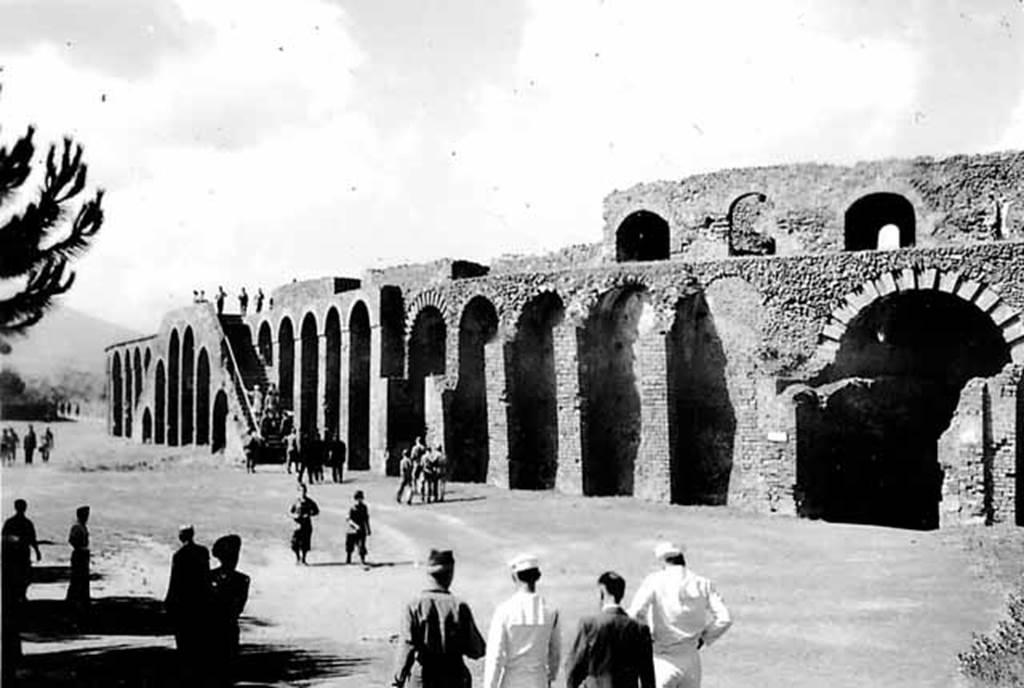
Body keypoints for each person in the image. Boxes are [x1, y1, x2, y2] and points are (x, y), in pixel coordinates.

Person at [627, 543, 731, 688]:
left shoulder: (654, 580)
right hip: (691, 660)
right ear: (683, 559)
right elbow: (725, 619)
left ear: (663, 562)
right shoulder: (703, 583)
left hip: (662, 659)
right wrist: (704, 638)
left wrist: (644, 638)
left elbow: (634, 613)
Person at [392, 549, 486, 687]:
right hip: (454, 678)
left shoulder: (414, 606)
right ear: (451, 574)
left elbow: (407, 647)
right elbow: (477, 650)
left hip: (422, 679)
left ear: (428, 575)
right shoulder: (459, 607)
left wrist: (398, 679)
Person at [566, 571, 655, 688]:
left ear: (602, 593)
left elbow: (575, 664)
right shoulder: (639, 629)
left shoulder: (589, 624)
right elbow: (647, 674)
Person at [483, 554, 561, 688]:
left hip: (512, 682)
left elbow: (494, 657)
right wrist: (551, 676)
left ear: (515, 577)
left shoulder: (504, 610)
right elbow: (555, 652)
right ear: (537, 576)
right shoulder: (551, 611)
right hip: (539, 681)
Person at [165, 525, 211, 668]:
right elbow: (207, 575)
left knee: (183, 635)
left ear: (181, 536)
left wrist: (169, 600)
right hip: (200, 598)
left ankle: (185, 664)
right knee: (198, 634)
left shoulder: (179, 555)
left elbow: (175, 580)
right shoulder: (203, 552)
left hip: (184, 600)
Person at [209, 534, 250, 687]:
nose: (235, 559)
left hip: (225, 625)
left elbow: (239, 606)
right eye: (232, 556)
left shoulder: (242, 579)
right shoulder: (210, 577)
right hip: (216, 627)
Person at [2, 499, 42, 603]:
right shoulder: (24, 523)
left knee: (23, 575)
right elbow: (5, 538)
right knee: (20, 575)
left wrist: (37, 551)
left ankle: (20, 595)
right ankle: (19, 596)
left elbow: (32, 538)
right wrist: (37, 551)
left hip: (18, 553)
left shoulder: (12, 522)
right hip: (17, 553)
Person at [67, 505, 91, 611]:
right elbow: (71, 540)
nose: (87, 517)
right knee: (77, 578)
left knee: (83, 578)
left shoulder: (82, 526)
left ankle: (82, 600)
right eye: (85, 514)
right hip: (79, 554)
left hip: (82, 553)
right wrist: (79, 547)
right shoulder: (77, 527)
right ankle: (73, 600)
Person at [289, 483, 319, 565]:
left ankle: (304, 559)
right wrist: (295, 516)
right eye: (301, 490)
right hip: (297, 525)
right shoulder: (295, 502)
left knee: (305, 543)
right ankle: (298, 558)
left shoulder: (309, 502)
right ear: (298, 491)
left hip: (306, 525)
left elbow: (316, 511)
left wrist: (309, 514)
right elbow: (290, 512)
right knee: (294, 543)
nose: (303, 492)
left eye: (304, 490)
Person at [345, 490, 371, 566]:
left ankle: (362, 559)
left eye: (360, 498)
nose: (359, 500)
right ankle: (348, 558)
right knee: (350, 545)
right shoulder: (352, 508)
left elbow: (366, 518)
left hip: (362, 528)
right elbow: (348, 519)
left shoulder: (364, 507)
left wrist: (368, 529)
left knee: (362, 544)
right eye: (357, 499)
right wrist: (355, 526)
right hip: (352, 529)